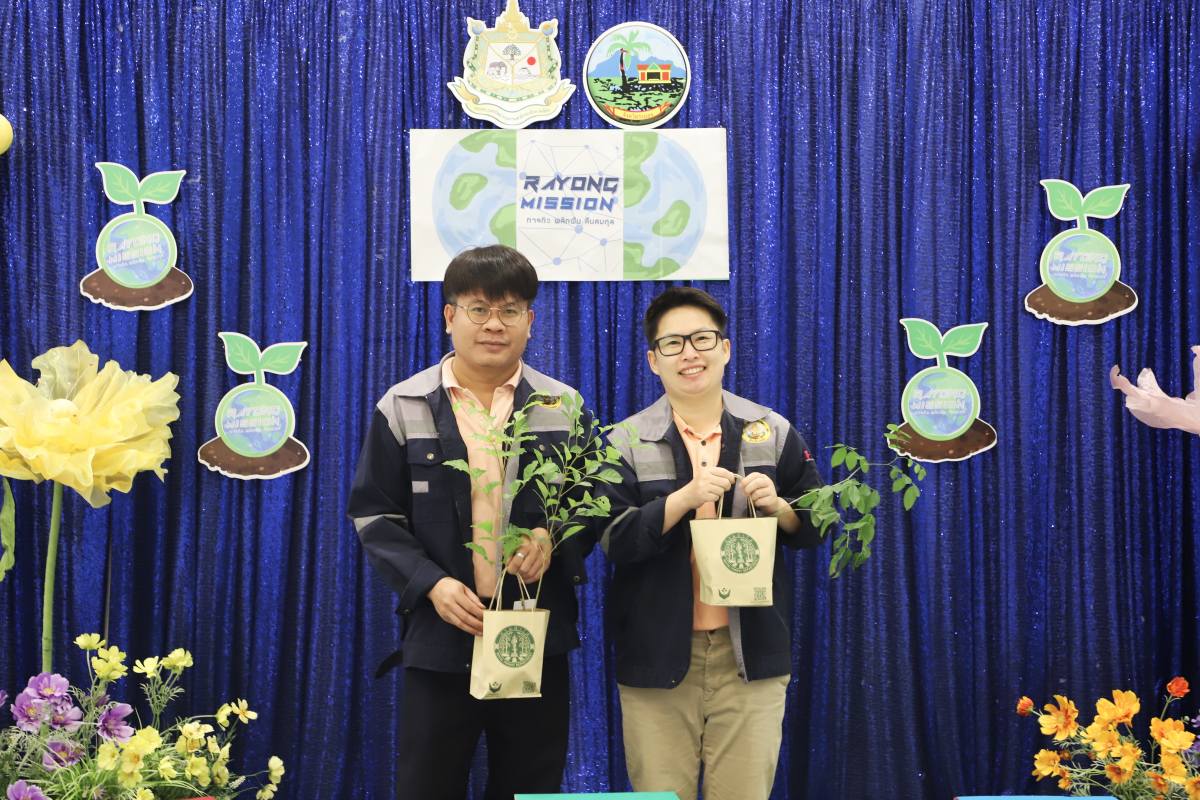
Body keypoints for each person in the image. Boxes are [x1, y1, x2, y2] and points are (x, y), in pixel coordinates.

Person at [347, 245, 590, 800]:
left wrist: (552, 537)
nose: (494, 325)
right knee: (427, 787)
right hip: (442, 632)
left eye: (509, 310)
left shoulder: (563, 405)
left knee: (531, 788)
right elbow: (375, 513)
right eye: (479, 309)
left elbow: (592, 497)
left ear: (530, 320)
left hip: (533, 635)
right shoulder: (403, 405)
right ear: (450, 315)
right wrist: (431, 584)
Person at [600, 286, 824, 800]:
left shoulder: (771, 430)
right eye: (673, 343)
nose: (690, 354)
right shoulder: (624, 441)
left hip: (751, 655)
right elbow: (613, 539)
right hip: (656, 655)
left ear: (725, 348)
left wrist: (779, 508)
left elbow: (816, 525)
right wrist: (682, 499)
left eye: (702, 339)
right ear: (653, 360)